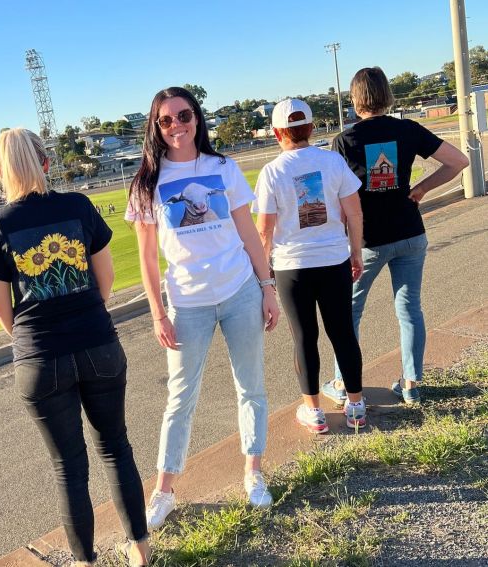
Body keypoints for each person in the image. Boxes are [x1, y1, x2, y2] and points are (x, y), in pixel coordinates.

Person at [0, 128, 151, 566]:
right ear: (47, 164)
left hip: (40, 356)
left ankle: (84, 561)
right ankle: (140, 548)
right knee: (115, 446)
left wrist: (34, 338)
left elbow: (1, 310)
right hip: (98, 341)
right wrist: (86, 313)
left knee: (68, 468)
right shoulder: (77, 206)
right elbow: (106, 279)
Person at [125, 87, 280, 531]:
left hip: (239, 292)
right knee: (180, 398)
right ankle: (164, 490)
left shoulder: (223, 168)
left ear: (197, 118)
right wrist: (157, 313)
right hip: (187, 303)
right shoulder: (146, 184)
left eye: (184, 115)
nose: (177, 125)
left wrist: (267, 287)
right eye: (166, 120)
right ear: (155, 128)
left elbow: (249, 234)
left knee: (250, 386)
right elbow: (147, 260)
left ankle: (253, 473)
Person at [327, 67, 469, 405]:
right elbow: (458, 161)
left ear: (355, 99)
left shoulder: (345, 140)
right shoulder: (408, 130)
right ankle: (411, 385)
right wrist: (420, 188)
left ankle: (343, 384)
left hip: (367, 241)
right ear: (388, 95)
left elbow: (335, 197)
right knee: (409, 309)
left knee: (348, 313)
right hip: (410, 232)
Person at [254, 99, 366, 433]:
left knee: (304, 337)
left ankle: (314, 411)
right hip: (334, 259)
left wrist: (265, 274)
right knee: (343, 332)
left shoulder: (272, 171)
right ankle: (356, 405)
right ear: (311, 128)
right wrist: (356, 252)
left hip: (292, 267)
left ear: (277, 133)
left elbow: (264, 230)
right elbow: (355, 212)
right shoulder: (332, 161)